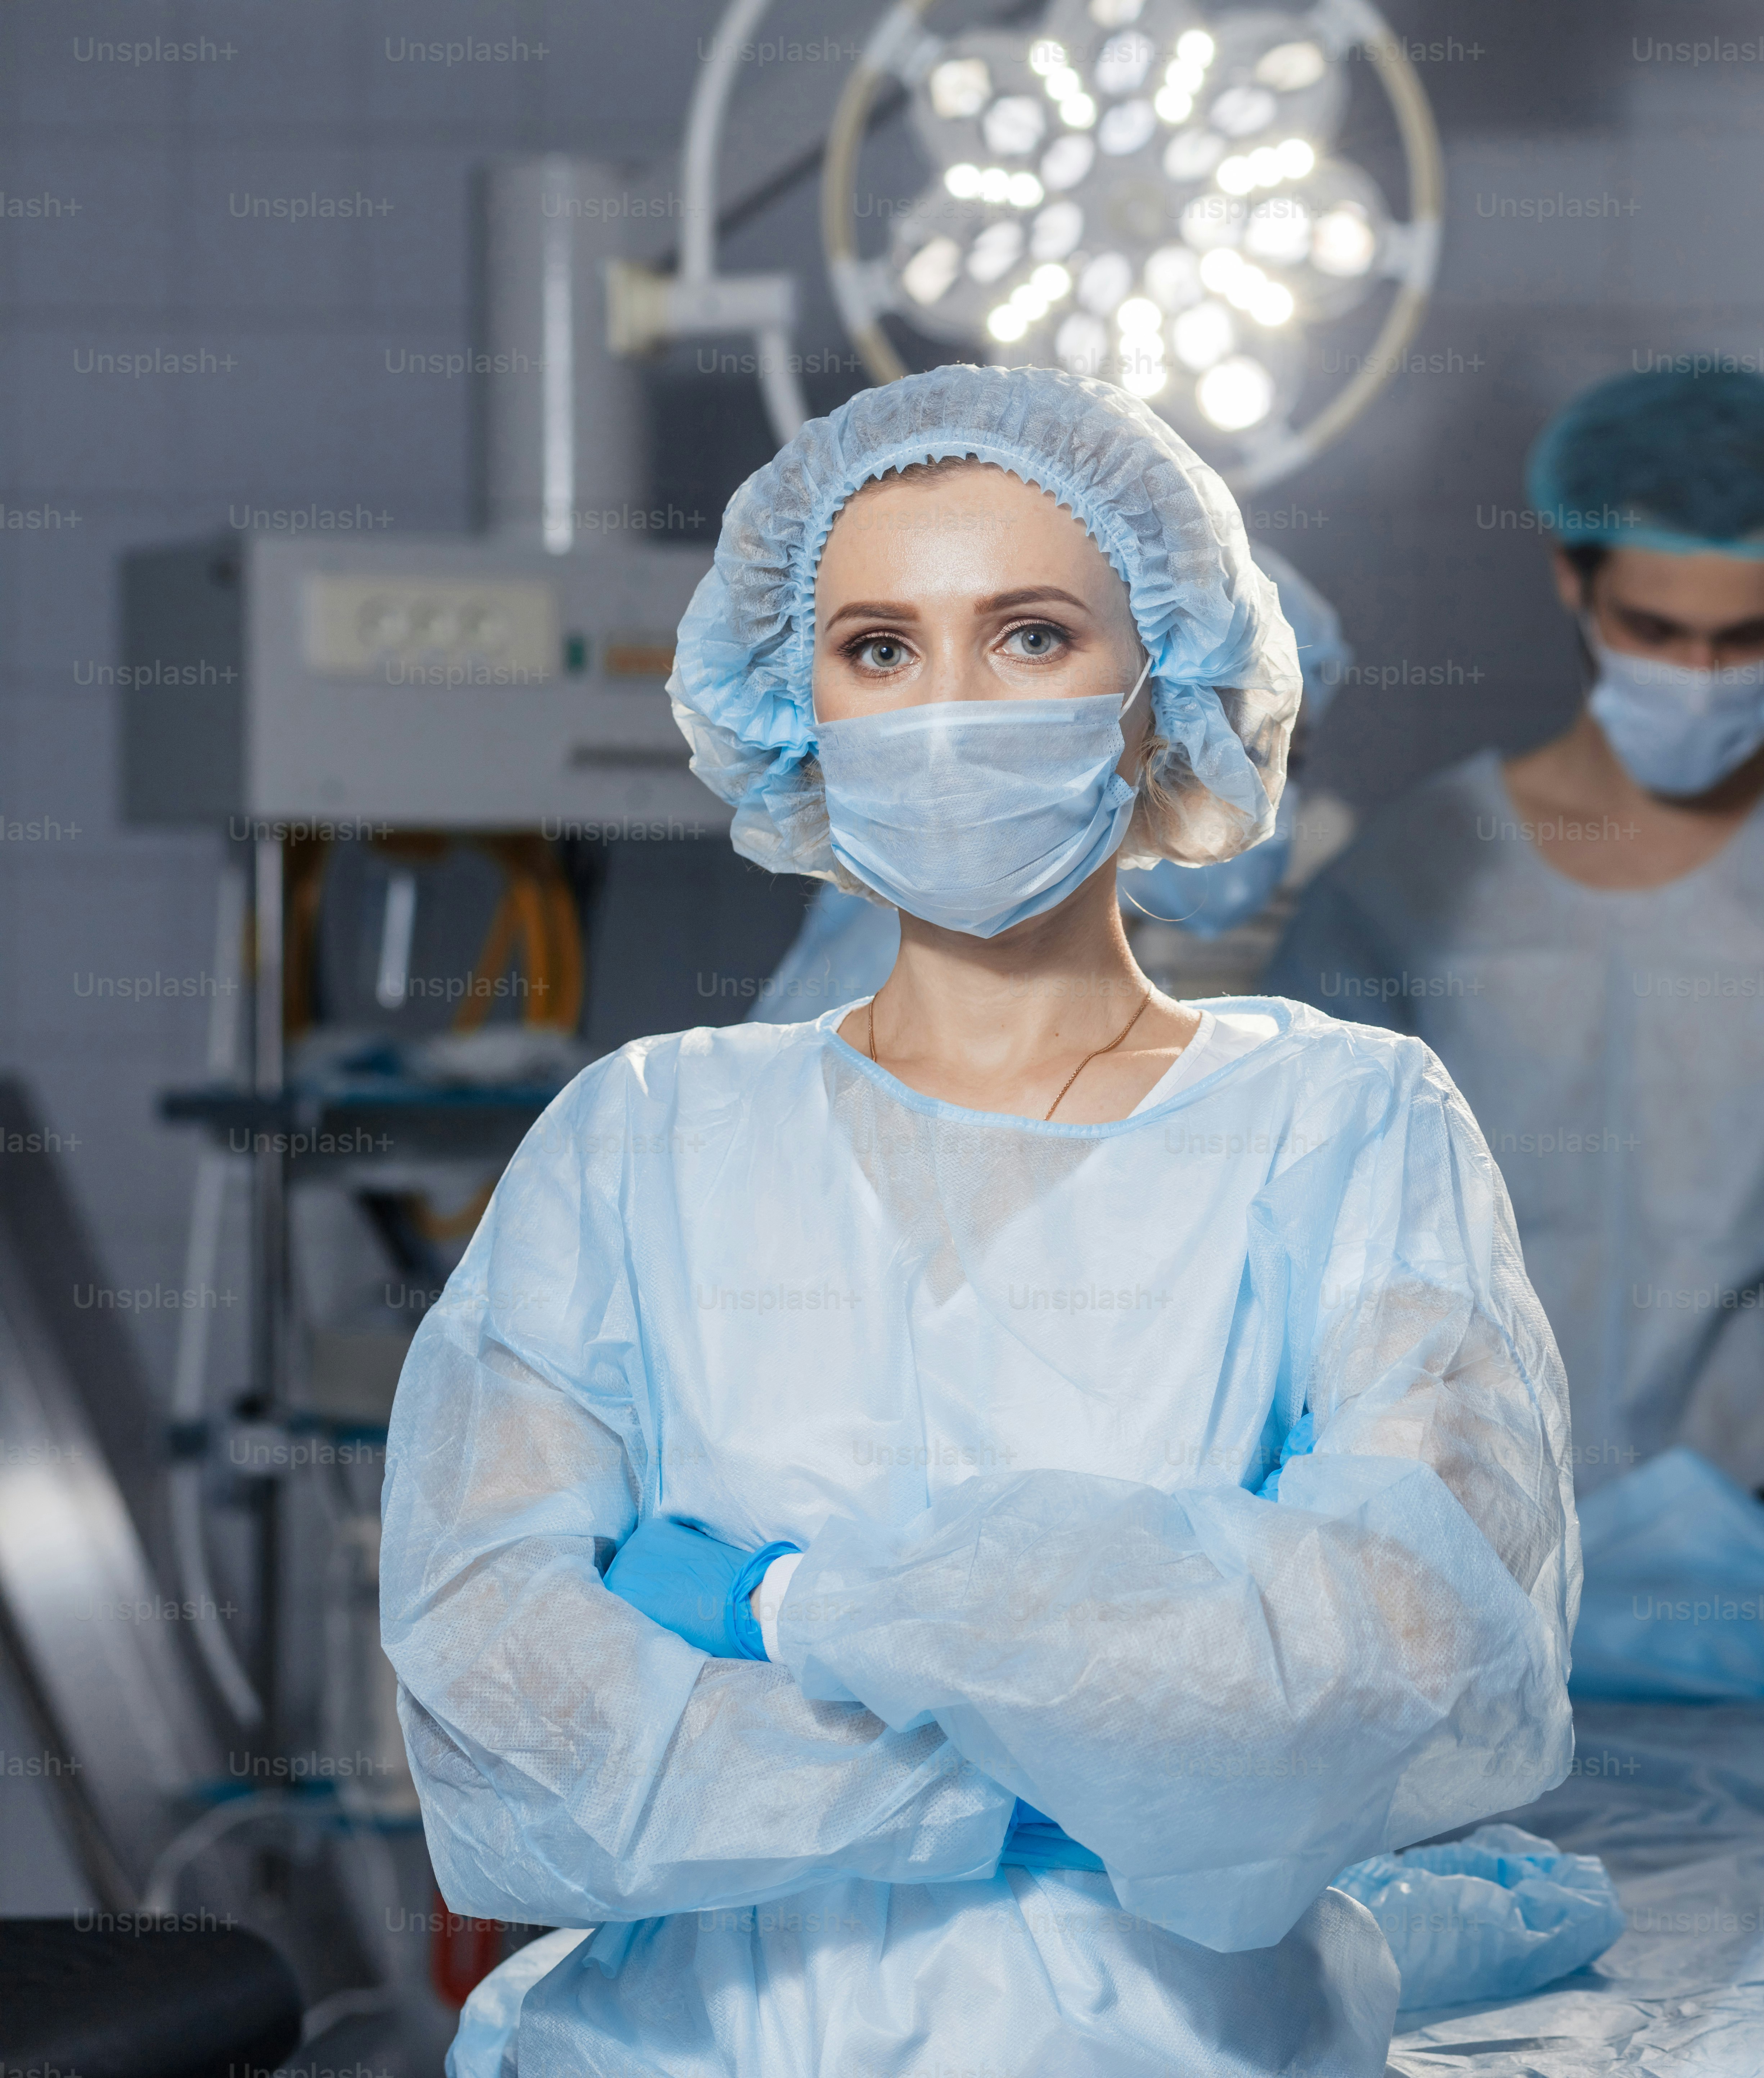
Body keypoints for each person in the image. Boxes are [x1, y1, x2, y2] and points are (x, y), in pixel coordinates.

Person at [378, 365, 1578, 2078]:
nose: (946, 709)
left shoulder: (1342, 1126)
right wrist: (1097, 1766)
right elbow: (501, 1681)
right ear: (795, 703)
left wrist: (787, 1614)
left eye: (1028, 636)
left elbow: (1395, 1634)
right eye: (879, 648)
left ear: (1162, 693)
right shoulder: (641, 1139)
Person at [1266, 369, 1764, 1547]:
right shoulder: (1411, 879)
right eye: (1654, 631)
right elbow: (1295, 1215)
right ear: (1571, 577)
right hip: (1482, 1537)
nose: (1696, 675)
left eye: (1743, 639)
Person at [746, 546, 1359, 1019]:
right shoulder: (921, 959)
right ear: (1150, 717)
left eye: (1289, 760)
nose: (1264, 792)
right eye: (1243, 748)